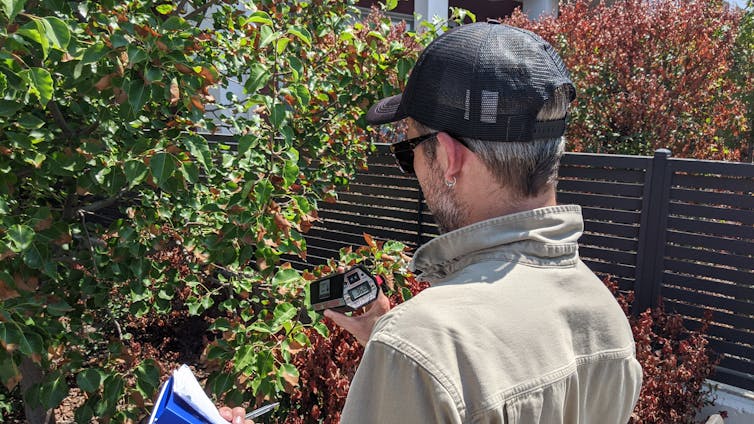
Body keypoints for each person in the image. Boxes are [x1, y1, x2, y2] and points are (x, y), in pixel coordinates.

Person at [322, 21, 643, 423]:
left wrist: (403, 354)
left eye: (409, 152)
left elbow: (450, 366)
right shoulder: (605, 319)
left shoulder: (418, 349)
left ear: (449, 156)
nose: (415, 171)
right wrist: (388, 344)